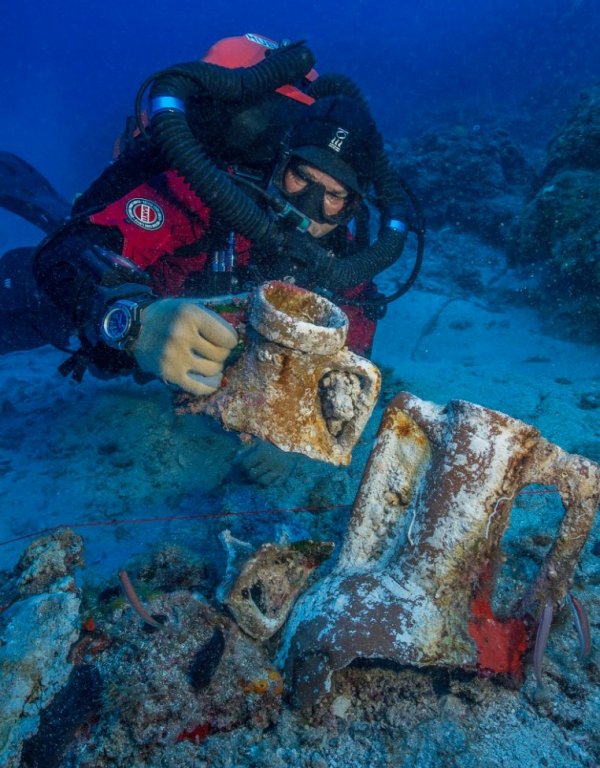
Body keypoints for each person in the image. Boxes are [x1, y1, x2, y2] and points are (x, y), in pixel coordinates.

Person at [1, 33, 416, 401]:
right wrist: (133, 320)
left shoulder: (344, 259)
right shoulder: (209, 196)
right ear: (280, 162)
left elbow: (351, 345)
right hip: (133, 294)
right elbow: (74, 252)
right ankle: (55, 212)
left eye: (335, 195)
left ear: (353, 206)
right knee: (43, 306)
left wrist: (304, 421)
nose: (311, 204)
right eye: (301, 176)